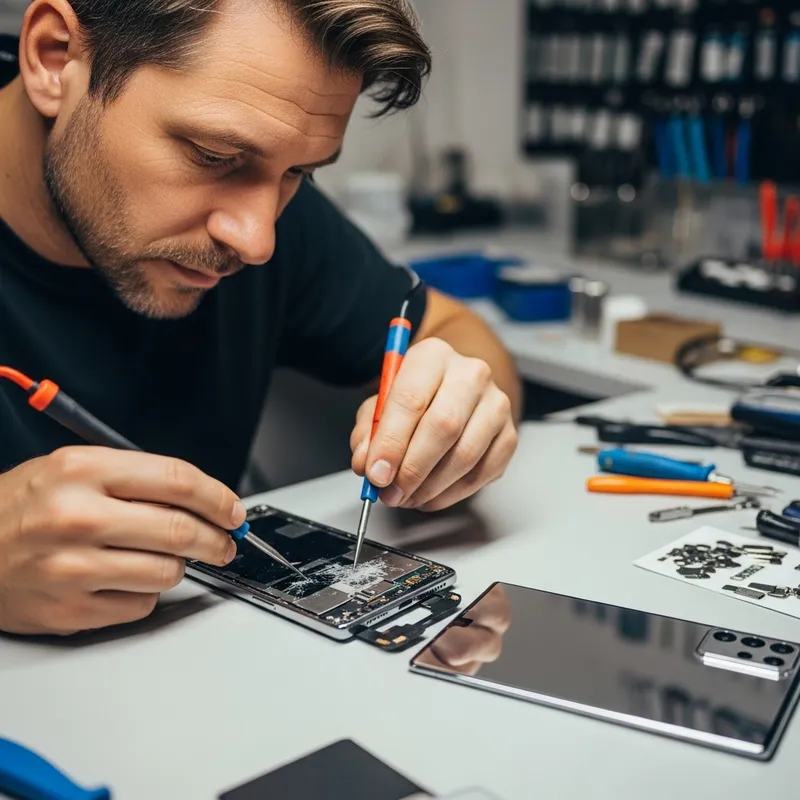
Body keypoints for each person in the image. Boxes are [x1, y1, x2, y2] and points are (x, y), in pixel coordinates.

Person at [0, 0, 522, 637]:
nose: (256, 242)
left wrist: (457, 416)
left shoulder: (264, 205)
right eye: (213, 155)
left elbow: (454, 333)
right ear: (55, 59)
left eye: (298, 172)